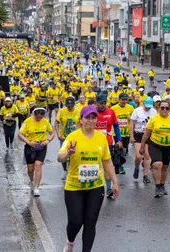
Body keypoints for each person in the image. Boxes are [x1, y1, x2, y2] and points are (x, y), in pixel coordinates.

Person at [58, 105, 119, 252]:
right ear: (81, 119)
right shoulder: (73, 137)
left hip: (95, 186)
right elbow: (60, 158)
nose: (91, 121)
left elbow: (107, 161)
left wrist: (115, 182)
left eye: (93, 117)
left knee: (90, 222)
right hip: (74, 187)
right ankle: (70, 242)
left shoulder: (101, 138)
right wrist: (68, 153)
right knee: (76, 221)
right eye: (87, 118)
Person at [139, 100, 170, 197]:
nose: (164, 110)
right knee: (157, 164)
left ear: (169, 109)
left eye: (167, 108)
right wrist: (142, 147)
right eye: (162, 108)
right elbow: (146, 135)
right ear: (158, 108)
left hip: (168, 146)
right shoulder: (153, 119)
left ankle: (162, 185)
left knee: (165, 167)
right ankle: (157, 186)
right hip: (155, 144)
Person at [18, 107, 54, 197]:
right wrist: (28, 142)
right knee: (30, 169)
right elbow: (20, 134)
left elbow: (52, 133)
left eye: (41, 117)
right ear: (34, 114)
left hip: (41, 146)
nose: (40, 119)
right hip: (30, 147)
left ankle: (37, 188)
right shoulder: (27, 121)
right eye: (38, 117)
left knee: (38, 165)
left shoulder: (45, 121)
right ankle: (32, 181)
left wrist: (48, 140)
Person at [95, 94, 122, 198]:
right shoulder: (92, 113)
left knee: (107, 166)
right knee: (95, 166)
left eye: (104, 103)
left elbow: (116, 126)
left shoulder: (111, 112)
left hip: (108, 143)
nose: (103, 105)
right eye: (101, 103)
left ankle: (109, 189)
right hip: (94, 144)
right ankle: (95, 188)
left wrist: (119, 140)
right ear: (96, 103)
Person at [130, 97, 156, 184]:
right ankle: (137, 167)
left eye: (149, 106)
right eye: (147, 106)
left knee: (147, 156)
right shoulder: (137, 111)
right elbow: (132, 124)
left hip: (148, 135)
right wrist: (131, 137)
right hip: (138, 135)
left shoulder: (154, 111)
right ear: (143, 104)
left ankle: (145, 175)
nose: (148, 108)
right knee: (138, 156)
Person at [55, 96, 81, 180]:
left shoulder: (78, 112)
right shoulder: (61, 111)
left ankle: (72, 170)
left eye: (71, 105)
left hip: (75, 137)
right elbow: (56, 122)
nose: (69, 107)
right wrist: (58, 133)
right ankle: (65, 170)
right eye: (68, 105)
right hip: (64, 137)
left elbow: (81, 123)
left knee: (74, 154)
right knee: (64, 154)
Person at [111, 93, 134, 170]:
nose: (124, 101)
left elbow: (133, 121)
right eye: (122, 100)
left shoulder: (130, 108)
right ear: (119, 99)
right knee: (117, 148)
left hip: (126, 133)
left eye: (125, 100)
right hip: (116, 132)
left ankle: (120, 162)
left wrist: (130, 118)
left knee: (124, 149)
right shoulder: (113, 108)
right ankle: (118, 165)